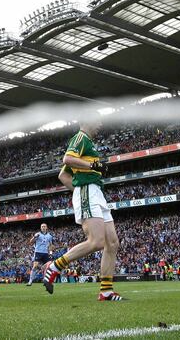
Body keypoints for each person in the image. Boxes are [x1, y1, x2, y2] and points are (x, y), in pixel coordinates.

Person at [43, 119, 123, 301]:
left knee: (112, 243)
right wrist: (85, 182)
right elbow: (67, 159)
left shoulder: (88, 145)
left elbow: (63, 175)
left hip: (95, 192)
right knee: (96, 242)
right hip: (89, 191)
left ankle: (106, 291)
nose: (100, 124)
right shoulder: (81, 138)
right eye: (97, 120)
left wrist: (79, 188)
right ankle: (55, 266)